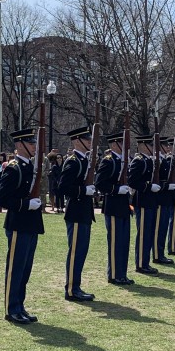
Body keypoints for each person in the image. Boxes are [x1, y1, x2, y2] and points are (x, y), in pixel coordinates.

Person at [0, 128, 43, 323]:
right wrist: (26, 204)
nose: (34, 146)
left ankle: (20, 305)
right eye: (30, 143)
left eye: (33, 142)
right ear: (19, 145)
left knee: (25, 268)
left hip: (31, 224)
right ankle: (11, 308)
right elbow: (2, 199)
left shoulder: (30, 167)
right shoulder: (13, 168)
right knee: (15, 268)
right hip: (18, 224)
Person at [57, 125, 96, 300]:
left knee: (82, 251)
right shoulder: (73, 161)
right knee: (75, 252)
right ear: (77, 141)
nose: (90, 142)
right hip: (76, 212)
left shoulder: (85, 160)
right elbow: (63, 187)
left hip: (84, 212)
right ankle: (72, 289)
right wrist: (83, 191)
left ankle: (76, 285)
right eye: (87, 139)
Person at [95, 132, 133, 285]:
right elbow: (100, 183)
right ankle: (114, 275)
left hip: (123, 206)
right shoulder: (108, 161)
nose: (126, 146)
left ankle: (122, 273)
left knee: (124, 242)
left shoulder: (124, 161)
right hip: (113, 206)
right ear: (114, 144)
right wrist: (116, 190)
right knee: (115, 243)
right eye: (123, 143)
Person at [129, 136, 161, 272]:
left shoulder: (149, 161)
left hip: (151, 201)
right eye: (150, 145)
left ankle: (145, 262)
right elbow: (132, 181)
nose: (153, 148)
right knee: (143, 234)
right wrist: (148, 187)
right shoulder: (139, 161)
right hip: (142, 201)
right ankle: (141, 264)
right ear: (143, 145)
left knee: (149, 233)